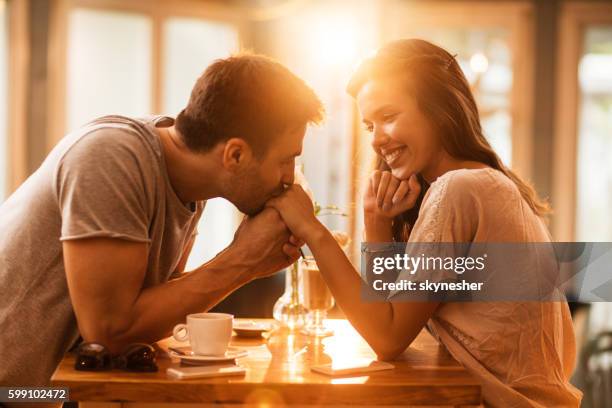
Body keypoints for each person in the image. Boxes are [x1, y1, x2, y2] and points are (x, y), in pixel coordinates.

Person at [268, 39, 582, 407]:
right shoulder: (482, 181)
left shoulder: (458, 189)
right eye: (369, 125)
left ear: (438, 109)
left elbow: (387, 338)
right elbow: (388, 315)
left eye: (389, 116)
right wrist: (376, 222)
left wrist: (311, 230)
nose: (376, 139)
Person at [0, 53, 323, 388]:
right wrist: (244, 260)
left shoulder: (189, 187)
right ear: (235, 155)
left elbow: (147, 318)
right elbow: (110, 331)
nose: (290, 178)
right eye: (287, 160)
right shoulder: (112, 158)